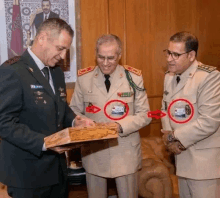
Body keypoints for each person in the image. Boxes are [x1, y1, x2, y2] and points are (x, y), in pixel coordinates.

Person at [0, 18, 93, 198]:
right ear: (42, 38)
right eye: (60, 48)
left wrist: (76, 120)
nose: (64, 56)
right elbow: (4, 123)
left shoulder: (56, 71)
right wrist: (45, 143)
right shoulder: (13, 71)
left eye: (67, 50)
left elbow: (61, 107)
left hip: (57, 171)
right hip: (27, 174)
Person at [70, 34, 152, 198]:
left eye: (111, 58)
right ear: (95, 54)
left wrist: (120, 126)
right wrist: (77, 121)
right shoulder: (84, 78)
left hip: (125, 152)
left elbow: (145, 114)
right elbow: (74, 110)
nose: (105, 63)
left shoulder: (133, 77)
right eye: (101, 57)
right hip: (94, 153)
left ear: (119, 56)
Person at [161, 31, 220, 198]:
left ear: (191, 55)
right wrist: (167, 137)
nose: (169, 59)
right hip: (181, 159)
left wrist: (174, 137)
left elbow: (209, 121)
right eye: (168, 52)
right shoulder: (169, 76)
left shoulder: (209, 78)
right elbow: (165, 109)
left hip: (204, 164)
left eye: (176, 54)